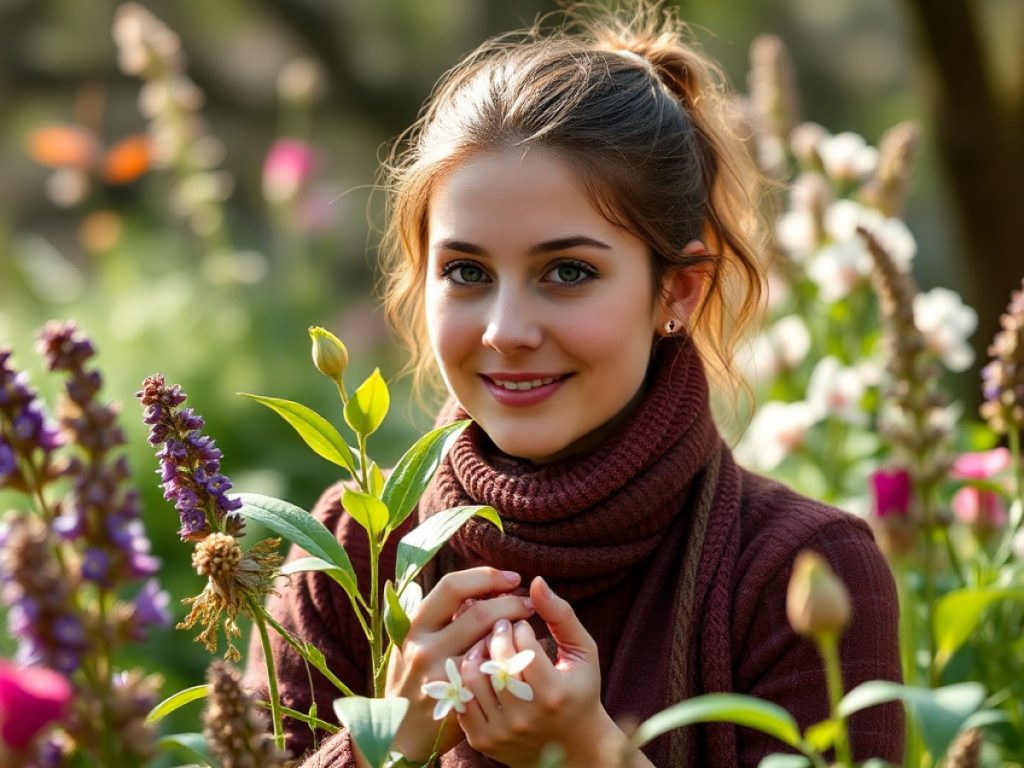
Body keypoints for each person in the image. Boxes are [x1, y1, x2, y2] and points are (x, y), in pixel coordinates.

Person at [245, 3, 903, 766]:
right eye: (466, 272)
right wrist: (387, 743)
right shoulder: (348, 557)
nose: (505, 330)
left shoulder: (797, 572)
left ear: (678, 293)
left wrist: (594, 753)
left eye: (568, 272)